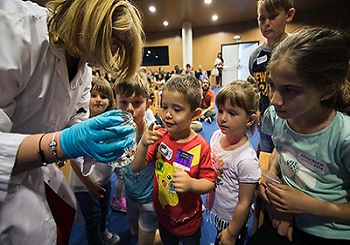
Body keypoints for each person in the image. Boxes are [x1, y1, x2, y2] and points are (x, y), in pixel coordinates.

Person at [0, 0, 144, 243]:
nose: (114, 55)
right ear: (91, 22)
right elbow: (65, 138)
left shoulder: (84, 67)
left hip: (37, 176)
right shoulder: (14, 28)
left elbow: (74, 120)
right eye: (114, 43)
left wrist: (94, 137)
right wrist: (63, 142)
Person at [248, 26, 350, 244]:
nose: (274, 100)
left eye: (290, 90)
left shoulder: (344, 137)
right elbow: (281, 149)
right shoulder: (276, 117)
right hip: (285, 214)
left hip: (329, 229)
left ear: (327, 90)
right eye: (272, 85)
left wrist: (305, 205)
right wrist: (270, 176)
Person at [130, 74, 216, 244]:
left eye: (177, 109)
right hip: (163, 217)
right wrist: (143, 145)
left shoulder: (201, 147)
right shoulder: (160, 136)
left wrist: (192, 184)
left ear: (195, 114)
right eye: (164, 107)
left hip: (188, 221)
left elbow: (209, 182)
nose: (168, 115)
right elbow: (135, 167)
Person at [206, 81, 261, 245]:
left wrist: (231, 233)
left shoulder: (246, 160)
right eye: (220, 111)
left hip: (233, 219)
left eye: (232, 113)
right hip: (217, 206)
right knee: (218, 235)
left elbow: (245, 202)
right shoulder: (216, 136)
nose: (223, 118)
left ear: (250, 120)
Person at [69, 77, 120, 245]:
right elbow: (74, 161)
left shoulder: (110, 122)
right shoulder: (79, 124)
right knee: (93, 218)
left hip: (104, 179)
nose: (98, 99)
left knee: (104, 210)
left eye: (104, 96)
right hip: (85, 185)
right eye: (94, 94)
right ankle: (95, 240)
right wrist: (89, 185)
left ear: (110, 101)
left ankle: (103, 232)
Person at [112, 73, 160, 245]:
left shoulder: (153, 135)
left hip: (148, 201)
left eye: (137, 103)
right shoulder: (119, 132)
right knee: (133, 231)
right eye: (124, 102)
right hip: (130, 195)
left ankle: (167, 235)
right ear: (116, 102)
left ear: (148, 104)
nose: (130, 109)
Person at [248, 0, 295, 154]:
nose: (266, 23)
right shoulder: (255, 56)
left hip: (293, 121)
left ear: (289, 15)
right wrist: (257, 110)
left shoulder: (298, 49)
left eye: (273, 17)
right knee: (267, 155)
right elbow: (257, 88)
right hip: (266, 120)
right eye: (262, 18)